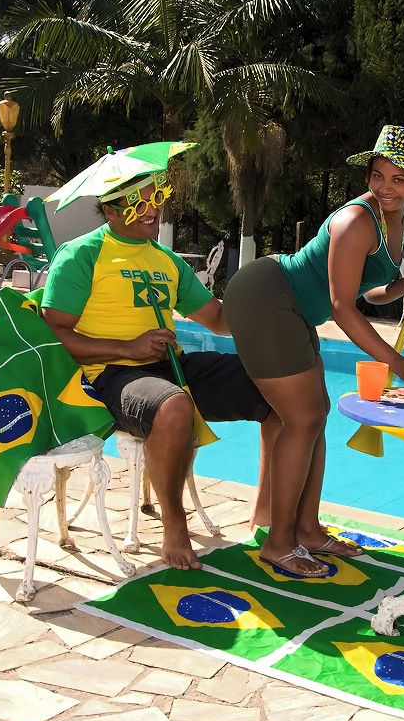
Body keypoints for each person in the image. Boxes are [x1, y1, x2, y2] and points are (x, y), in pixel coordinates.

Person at [222, 125, 404, 578]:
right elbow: (343, 308)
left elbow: (369, 292)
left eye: (399, 179)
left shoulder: (401, 224)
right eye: (378, 175)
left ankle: (306, 529)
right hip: (267, 295)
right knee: (303, 419)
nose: (385, 187)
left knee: (315, 415)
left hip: (295, 310)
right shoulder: (356, 221)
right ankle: (278, 542)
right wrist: (397, 362)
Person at [41, 171, 280, 571]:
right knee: (172, 406)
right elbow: (52, 334)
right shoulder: (82, 254)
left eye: (157, 197)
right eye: (139, 201)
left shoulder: (166, 260)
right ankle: (174, 523)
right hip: (110, 374)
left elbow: (218, 320)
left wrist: (264, 298)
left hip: (170, 367)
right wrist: (127, 347)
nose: (152, 209)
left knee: (279, 386)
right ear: (110, 210)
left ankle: (267, 514)